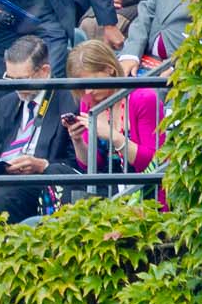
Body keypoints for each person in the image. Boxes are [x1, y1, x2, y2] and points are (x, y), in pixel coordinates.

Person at [0, 35, 80, 221]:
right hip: (3, 180)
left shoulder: (69, 101)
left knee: (3, 198)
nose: (16, 86)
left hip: (40, 182)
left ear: (44, 71)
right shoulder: (7, 103)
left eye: (22, 79)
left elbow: (77, 165)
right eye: (10, 78)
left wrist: (42, 166)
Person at [65, 38, 162, 198]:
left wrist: (114, 136)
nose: (88, 92)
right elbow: (92, 165)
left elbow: (153, 162)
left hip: (142, 191)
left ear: (110, 69)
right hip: (105, 187)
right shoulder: (88, 101)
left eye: (92, 83)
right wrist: (77, 140)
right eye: (82, 87)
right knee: (56, 173)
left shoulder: (143, 98)